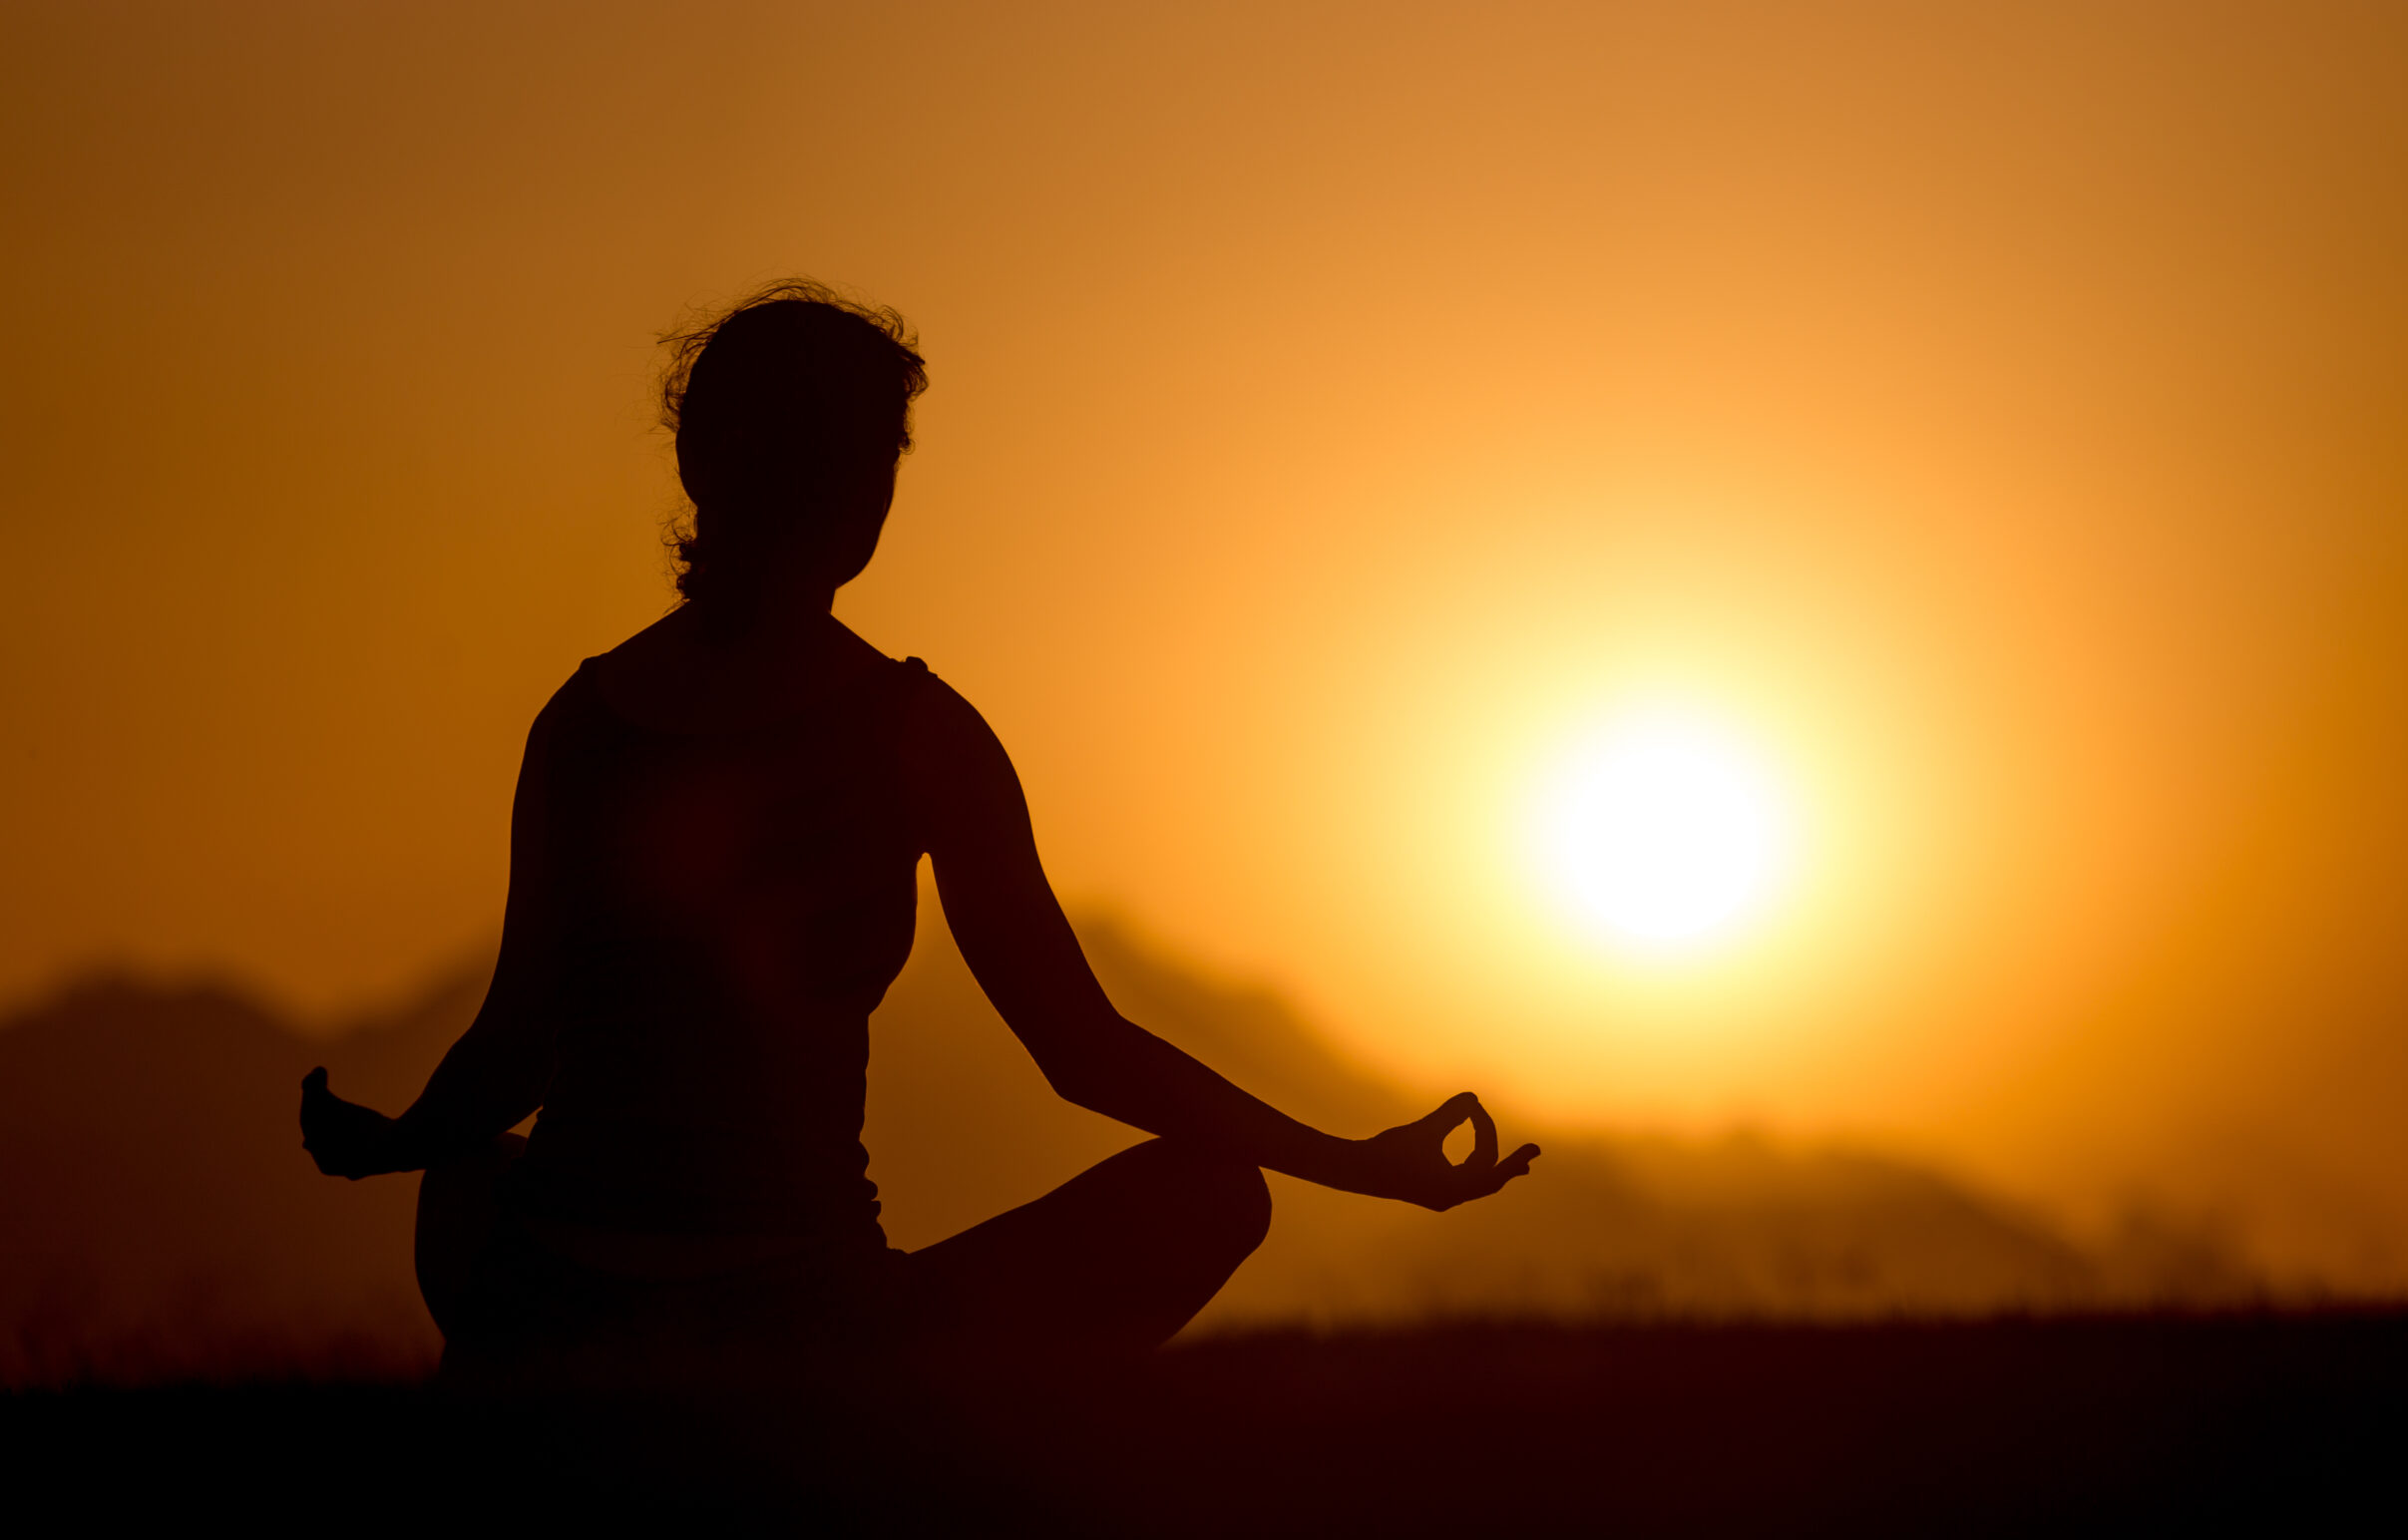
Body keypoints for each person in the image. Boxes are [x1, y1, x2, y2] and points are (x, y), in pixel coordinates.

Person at [298, 280, 1536, 1386]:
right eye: (863, 458)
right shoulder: (914, 732)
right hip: (806, 1323)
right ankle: (923, 1452)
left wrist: (397, 1143)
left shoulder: (582, 722)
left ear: (695, 465)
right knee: (1212, 1196)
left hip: (553, 1311)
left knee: (465, 1179)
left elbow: (513, 1044)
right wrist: (1355, 1163)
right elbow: (1083, 1050)